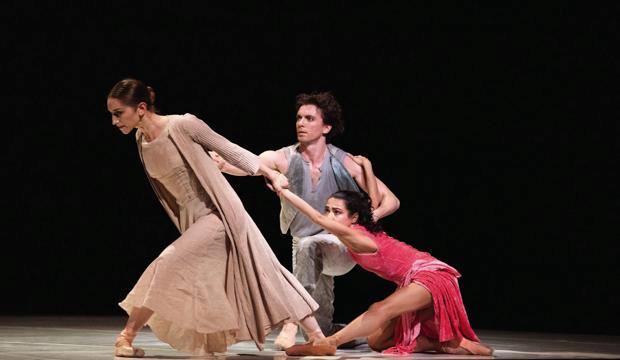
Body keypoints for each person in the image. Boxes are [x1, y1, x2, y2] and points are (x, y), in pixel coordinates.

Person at [106, 78, 326, 357]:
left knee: (167, 262)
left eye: (118, 113)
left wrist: (269, 173)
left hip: (218, 214)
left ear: (140, 108)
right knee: (264, 271)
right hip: (193, 219)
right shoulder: (141, 139)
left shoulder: (183, 125)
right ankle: (318, 338)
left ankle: (126, 335)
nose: (114, 121)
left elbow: (228, 148)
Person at [211, 92, 400, 347]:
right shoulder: (284, 158)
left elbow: (392, 200)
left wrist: (368, 220)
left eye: (309, 118)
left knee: (308, 246)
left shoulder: (343, 161)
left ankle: (290, 322)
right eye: (299, 117)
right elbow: (252, 164)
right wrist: (224, 164)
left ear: (326, 127)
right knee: (317, 327)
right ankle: (346, 337)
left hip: (341, 247)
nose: (301, 123)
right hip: (304, 249)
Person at [274, 155, 494, 356]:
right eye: (328, 209)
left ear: (354, 218)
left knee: (380, 309)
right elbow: (372, 199)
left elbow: (317, 218)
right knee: (377, 341)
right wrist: (368, 168)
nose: (329, 216)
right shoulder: (361, 227)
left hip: (431, 274)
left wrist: (283, 192)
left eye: (337, 212)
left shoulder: (359, 236)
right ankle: (435, 343)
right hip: (413, 279)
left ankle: (327, 343)